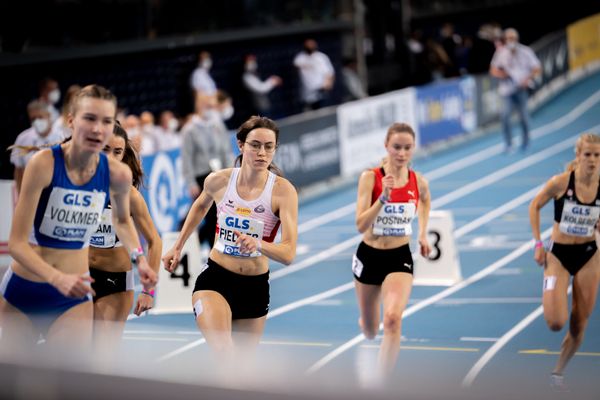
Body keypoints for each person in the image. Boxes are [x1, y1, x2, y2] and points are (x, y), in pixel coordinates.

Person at [0, 84, 157, 356]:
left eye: (107, 121)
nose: (99, 129)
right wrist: (57, 278)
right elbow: (16, 244)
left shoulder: (118, 176)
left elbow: (121, 222)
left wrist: (139, 259)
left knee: (72, 380)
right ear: (71, 121)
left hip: (73, 295)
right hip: (26, 287)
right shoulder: (43, 163)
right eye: (90, 119)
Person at [162, 115, 298, 367]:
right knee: (224, 353)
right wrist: (178, 246)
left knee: (240, 370)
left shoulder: (283, 191)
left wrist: (258, 244)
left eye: (269, 147)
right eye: (255, 145)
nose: (262, 152)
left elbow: (289, 253)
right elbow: (200, 206)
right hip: (216, 279)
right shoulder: (219, 180)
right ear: (240, 145)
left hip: (255, 287)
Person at [352, 122, 431, 383]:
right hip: (369, 255)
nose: (402, 153)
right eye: (397, 147)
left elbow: (426, 200)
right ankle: (366, 321)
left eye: (407, 148)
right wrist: (382, 198)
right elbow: (360, 224)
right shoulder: (370, 177)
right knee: (372, 330)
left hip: (399, 257)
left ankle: (382, 383)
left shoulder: (418, 180)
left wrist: (422, 233)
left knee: (393, 319)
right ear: (386, 146)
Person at [528, 132, 600, 391]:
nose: (592, 160)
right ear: (578, 156)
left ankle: (557, 373)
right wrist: (538, 244)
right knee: (555, 322)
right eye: (587, 155)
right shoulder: (560, 183)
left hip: (589, 255)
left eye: (597, 155)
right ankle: (552, 289)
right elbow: (534, 205)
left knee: (579, 322)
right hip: (558, 255)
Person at [89, 121, 162, 357]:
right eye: (105, 149)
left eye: (117, 151)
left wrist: (148, 292)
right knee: (74, 355)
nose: (111, 157)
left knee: (101, 359)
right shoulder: (77, 184)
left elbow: (154, 241)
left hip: (114, 281)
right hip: (78, 275)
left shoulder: (129, 194)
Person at [181, 93, 232, 250]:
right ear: (199, 107)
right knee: (210, 215)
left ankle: (198, 243)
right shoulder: (189, 130)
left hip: (219, 174)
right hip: (201, 176)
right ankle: (211, 249)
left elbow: (226, 150)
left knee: (218, 215)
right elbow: (187, 158)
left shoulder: (217, 125)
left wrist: (231, 173)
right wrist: (190, 182)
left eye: (212, 106)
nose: (210, 109)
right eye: (207, 106)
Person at [490, 27, 541, 153]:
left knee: (523, 117)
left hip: (521, 89)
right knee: (505, 116)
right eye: (508, 38)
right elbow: (493, 70)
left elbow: (537, 68)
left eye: (512, 38)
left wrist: (527, 79)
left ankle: (525, 142)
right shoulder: (501, 53)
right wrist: (504, 75)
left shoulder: (526, 51)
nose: (510, 40)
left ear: (517, 39)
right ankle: (508, 144)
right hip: (507, 91)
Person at [10, 99, 65, 195]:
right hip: (31, 191)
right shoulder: (23, 138)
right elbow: (18, 171)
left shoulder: (62, 137)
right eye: (33, 119)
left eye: (40, 117)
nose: (37, 121)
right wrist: (20, 195)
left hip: (56, 190)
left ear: (48, 115)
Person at [293, 38, 335, 111]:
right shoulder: (300, 57)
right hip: (307, 92)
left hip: (321, 90)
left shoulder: (321, 57)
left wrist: (328, 83)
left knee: (322, 111)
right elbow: (296, 65)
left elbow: (329, 72)